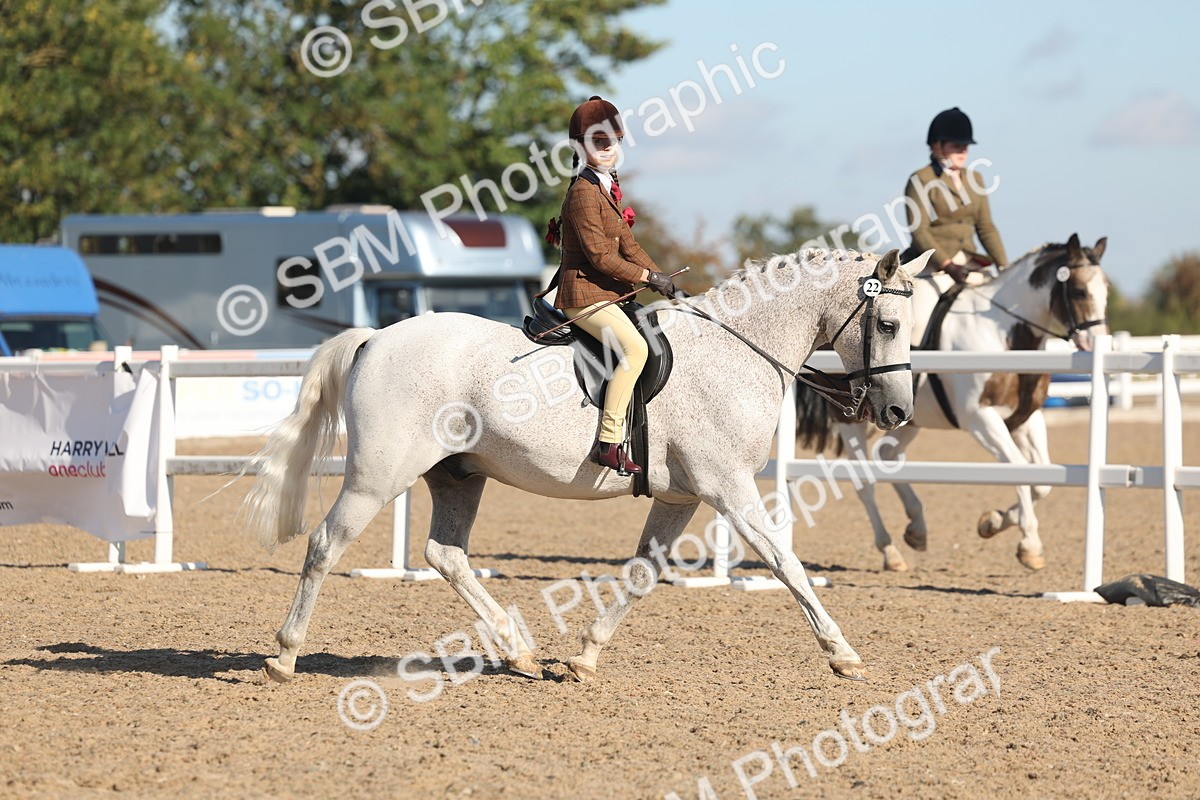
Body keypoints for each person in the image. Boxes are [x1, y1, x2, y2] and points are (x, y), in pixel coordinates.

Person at [552, 95, 679, 474]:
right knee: (635, 350)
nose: (609, 149)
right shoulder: (582, 194)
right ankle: (608, 442)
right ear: (581, 146)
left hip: (605, 294)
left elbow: (629, 245)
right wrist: (645, 277)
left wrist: (664, 280)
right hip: (582, 295)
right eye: (599, 142)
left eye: (614, 141)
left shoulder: (606, 189)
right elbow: (600, 258)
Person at [902, 107, 1008, 283]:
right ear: (937, 146)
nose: (963, 151)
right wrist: (947, 265)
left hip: (969, 261)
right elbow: (919, 231)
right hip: (933, 265)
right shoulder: (921, 179)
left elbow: (986, 227)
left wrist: (1004, 267)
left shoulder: (976, 178)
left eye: (965, 146)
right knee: (922, 309)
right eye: (956, 146)